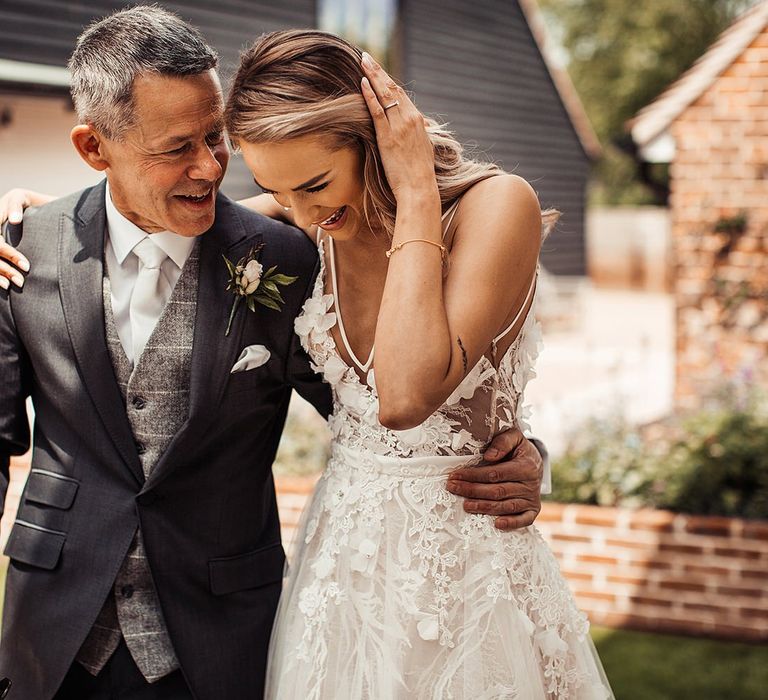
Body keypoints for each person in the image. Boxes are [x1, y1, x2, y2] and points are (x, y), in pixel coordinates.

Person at [0, 8, 547, 700]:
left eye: (216, 138)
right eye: (176, 147)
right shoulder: (28, 247)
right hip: (56, 637)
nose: (208, 168)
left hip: (226, 632)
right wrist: (52, 222)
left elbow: (386, 405)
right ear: (95, 149)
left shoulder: (283, 252)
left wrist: (522, 452)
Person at [221, 30, 613, 699]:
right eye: (277, 192)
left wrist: (416, 194)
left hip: (465, 565)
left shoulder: (494, 207)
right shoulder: (308, 221)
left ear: (374, 139)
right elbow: (161, 222)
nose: (301, 214)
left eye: (315, 184)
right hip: (343, 567)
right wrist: (28, 214)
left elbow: (405, 398)